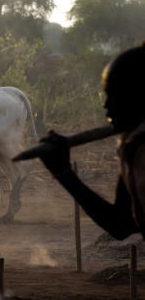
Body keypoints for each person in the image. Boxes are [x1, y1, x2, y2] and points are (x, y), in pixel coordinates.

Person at [38, 43, 145, 240]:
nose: (105, 105)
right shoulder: (132, 143)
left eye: (114, 96)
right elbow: (122, 224)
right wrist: (63, 172)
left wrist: (63, 173)